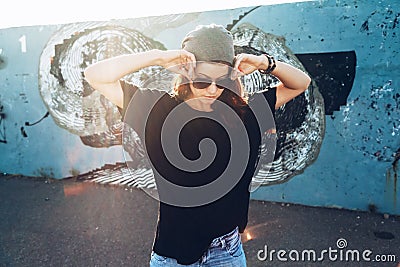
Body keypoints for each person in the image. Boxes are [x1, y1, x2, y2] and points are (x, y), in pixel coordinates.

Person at [84, 24, 311, 267]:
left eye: (221, 80)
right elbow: (96, 75)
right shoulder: (156, 111)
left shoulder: (246, 112)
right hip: (173, 254)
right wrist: (158, 57)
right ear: (187, 74)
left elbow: (301, 83)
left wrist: (264, 63)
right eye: (202, 81)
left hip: (227, 251)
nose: (213, 90)